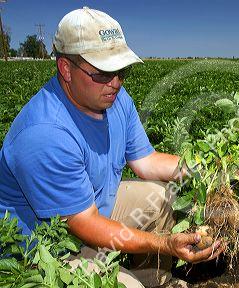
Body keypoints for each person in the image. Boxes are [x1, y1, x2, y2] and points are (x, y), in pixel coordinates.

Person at [0, 6, 223, 287]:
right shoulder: (44, 134)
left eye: (120, 70)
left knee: (162, 196)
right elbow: (86, 224)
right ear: (66, 69)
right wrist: (165, 244)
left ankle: (158, 281)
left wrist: (213, 167)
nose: (115, 82)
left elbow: (147, 161)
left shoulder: (114, 98)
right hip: (47, 250)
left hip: (91, 209)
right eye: (103, 73)